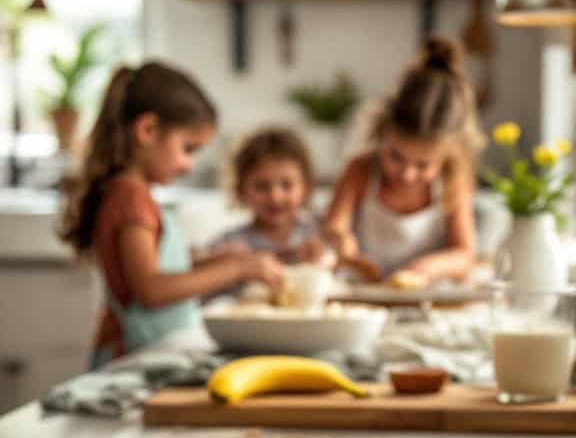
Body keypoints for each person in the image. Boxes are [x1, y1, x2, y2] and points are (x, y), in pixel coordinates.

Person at [59, 62, 285, 366]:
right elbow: (150, 289)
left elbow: (146, 266)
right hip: (133, 357)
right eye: (188, 148)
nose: (189, 165)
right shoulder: (131, 198)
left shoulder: (132, 193)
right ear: (148, 130)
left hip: (149, 354)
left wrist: (210, 260)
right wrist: (236, 269)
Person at [323, 38, 485, 283]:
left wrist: (429, 267)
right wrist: (341, 241)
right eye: (396, 157)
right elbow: (334, 226)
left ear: (448, 156)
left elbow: (465, 255)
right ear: (381, 133)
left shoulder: (452, 181)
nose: (407, 174)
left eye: (423, 165)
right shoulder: (360, 170)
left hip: (429, 299)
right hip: (363, 295)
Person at [207, 126, 326, 264]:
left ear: (306, 187)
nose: (275, 197)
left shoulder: (319, 234)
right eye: (262, 186)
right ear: (241, 190)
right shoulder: (228, 245)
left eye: (287, 185)